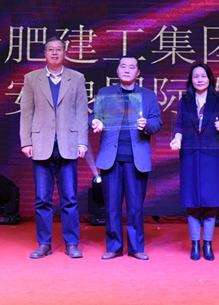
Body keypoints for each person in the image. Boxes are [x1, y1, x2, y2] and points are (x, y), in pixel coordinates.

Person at [19, 37, 89, 259]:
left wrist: (82, 141)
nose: (55, 53)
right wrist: (26, 141)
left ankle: (71, 244)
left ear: (65, 53)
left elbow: (81, 111)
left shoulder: (76, 78)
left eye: (59, 49)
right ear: (45, 53)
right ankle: (44, 244)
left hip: (68, 145)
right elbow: (26, 112)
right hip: (41, 145)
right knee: (42, 198)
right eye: (51, 49)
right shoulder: (32, 79)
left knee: (69, 198)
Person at [90, 56, 162, 260]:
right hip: (111, 159)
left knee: (135, 206)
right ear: (117, 70)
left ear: (138, 73)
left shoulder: (148, 96)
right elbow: (95, 115)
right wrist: (96, 121)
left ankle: (136, 247)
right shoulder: (105, 93)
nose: (127, 70)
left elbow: (157, 122)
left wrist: (146, 125)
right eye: (123, 66)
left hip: (136, 159)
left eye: (132, 67)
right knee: (112, 206)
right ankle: (114, 247)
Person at [170, 62, 219, 261]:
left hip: (211, 155)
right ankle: (195, 244)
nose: (200, 79)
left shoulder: (218, 99)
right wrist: (177, 138)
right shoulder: (185, 100)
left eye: (203, 76)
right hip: (190, 153)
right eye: (196, 76)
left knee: (210, 200)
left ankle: (208, 244)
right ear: (191, 80)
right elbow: (179, 125)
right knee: (192, 200)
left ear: (209, 78)